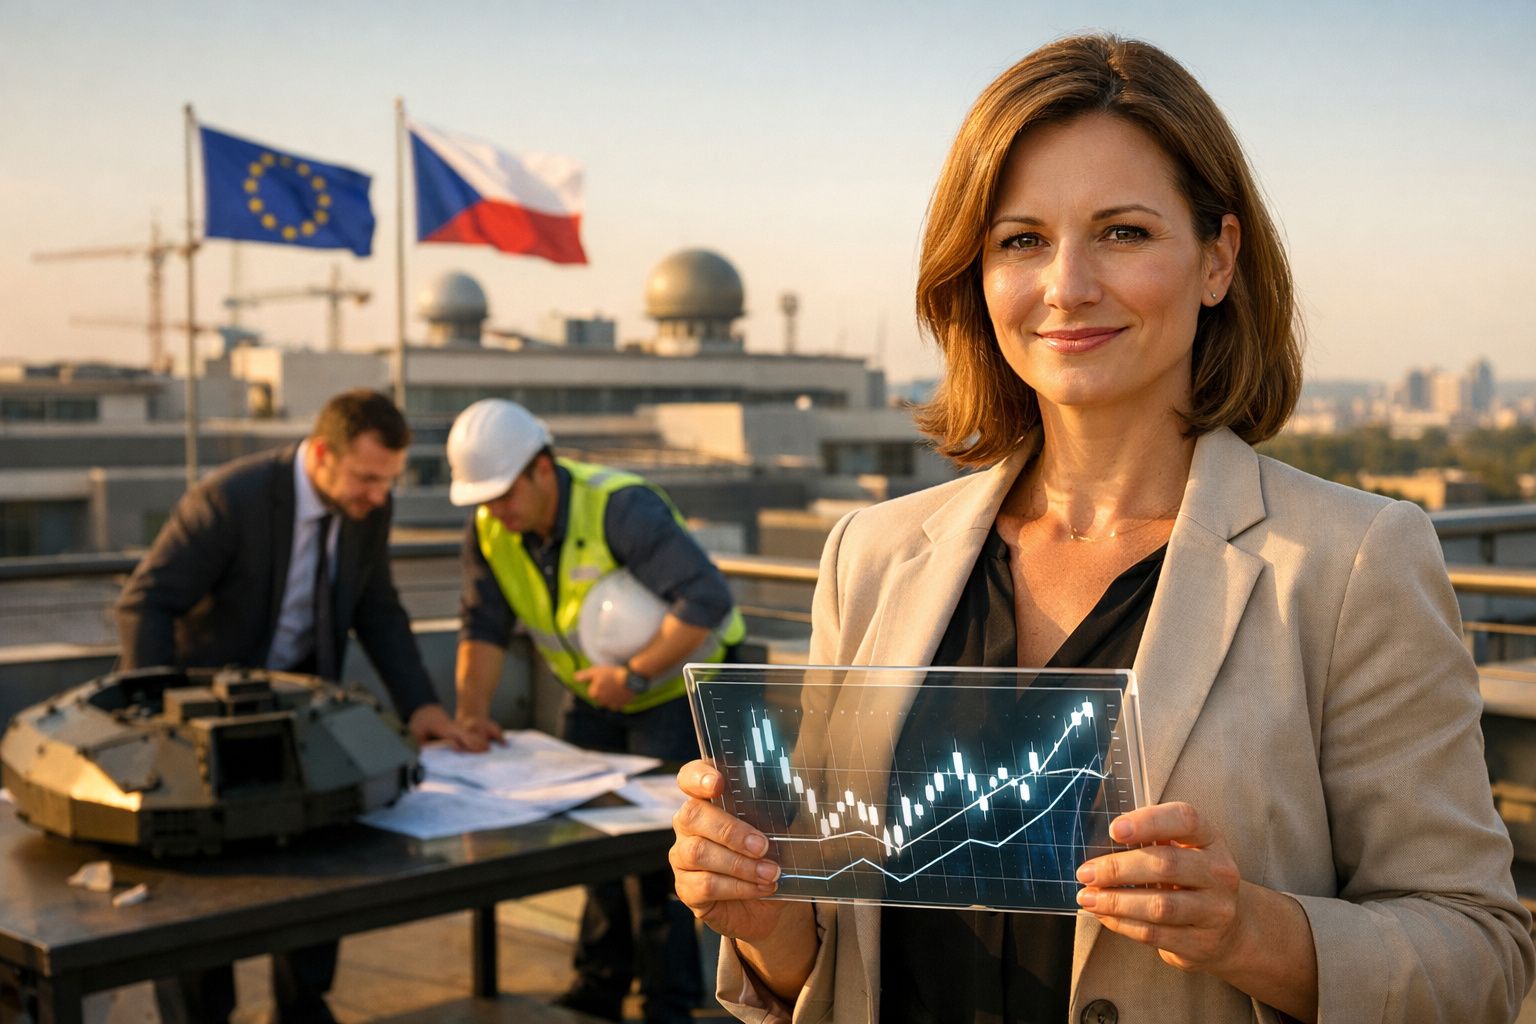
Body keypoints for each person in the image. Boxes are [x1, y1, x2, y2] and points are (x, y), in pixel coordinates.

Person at [668, 33, 1534, 1024]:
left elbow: (1480, 954)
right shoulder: (869, 556)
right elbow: (833, 962)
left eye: (1122, 232)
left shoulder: (1352, 564)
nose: (1067, 285)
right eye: (1020, 240)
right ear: (975, 273)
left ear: (1218, 258)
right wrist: (763, 918)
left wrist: (1248, 932)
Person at [117, 387, 473, 1024]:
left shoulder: (367, 507)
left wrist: (422, 706)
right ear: (322, 454)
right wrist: (157, 723)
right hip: (210, 723)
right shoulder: (231, 500)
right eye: (367, 478)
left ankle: (303, 1007)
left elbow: (378, 609)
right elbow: (147, 602)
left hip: (304, 717)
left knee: (318, 854)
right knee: (207, 879)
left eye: (389, 480)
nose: (379, 496)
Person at [448, 397, 746, 1024]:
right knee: (590, 839)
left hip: (677, 692)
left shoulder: (618, 507)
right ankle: (599, 985)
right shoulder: (490, 529)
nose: (496, 510)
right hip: (594, 693)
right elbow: (484, 625)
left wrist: (634, 676)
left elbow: (706, 599)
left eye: (504, 494)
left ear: (541, 468)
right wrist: (470, 714)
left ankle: (668, 1004)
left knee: (661, 852)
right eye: (485, 499)